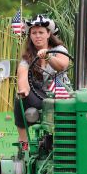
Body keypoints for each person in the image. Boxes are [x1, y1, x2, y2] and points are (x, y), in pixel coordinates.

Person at [14, 14, 69, 147]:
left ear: (48, 34)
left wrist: (49, 57)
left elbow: (62, 65)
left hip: (61, 95)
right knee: (19, 98)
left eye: (41, 32)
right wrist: (23, 90)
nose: (37, 36)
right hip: (40, 97)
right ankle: (24, 143)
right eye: (34, 33)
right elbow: (22, 75)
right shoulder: (27, 57)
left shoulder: (59, 50)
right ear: (30, 36)